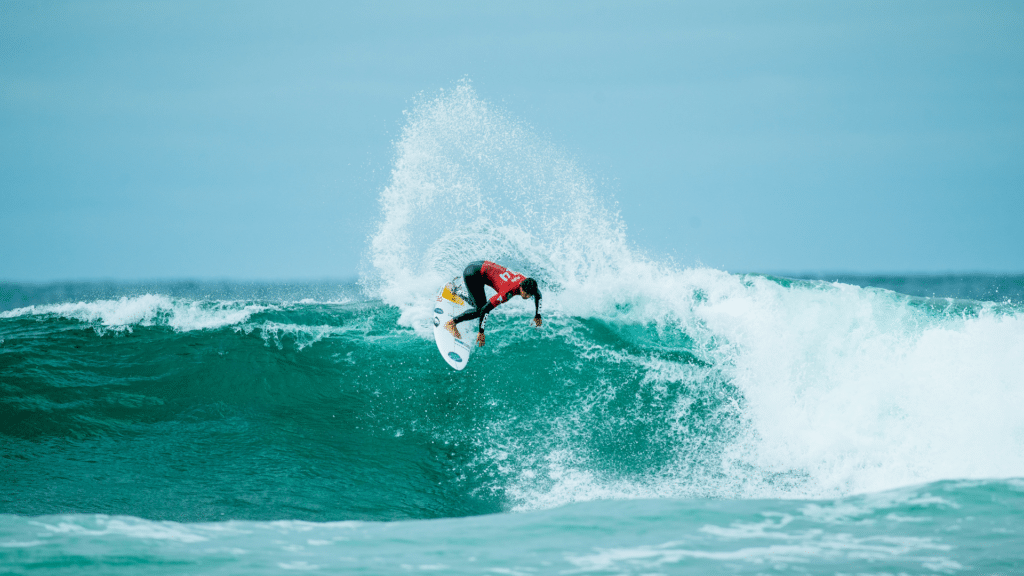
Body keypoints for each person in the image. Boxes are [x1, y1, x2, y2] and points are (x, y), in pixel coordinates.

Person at [444, 260, 542, 347]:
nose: (528, 297)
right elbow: (485, 310)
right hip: (473, 274)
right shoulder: (507, 292)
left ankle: (455, 290)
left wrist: (538, 315)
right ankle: (451, 323)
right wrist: (481, 332)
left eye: (530, 295)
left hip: (479, 265)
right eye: (527, 294)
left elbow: (538, 295)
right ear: (521, 288)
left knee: (478, 303)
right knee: (479, 310)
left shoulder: (527, 283)